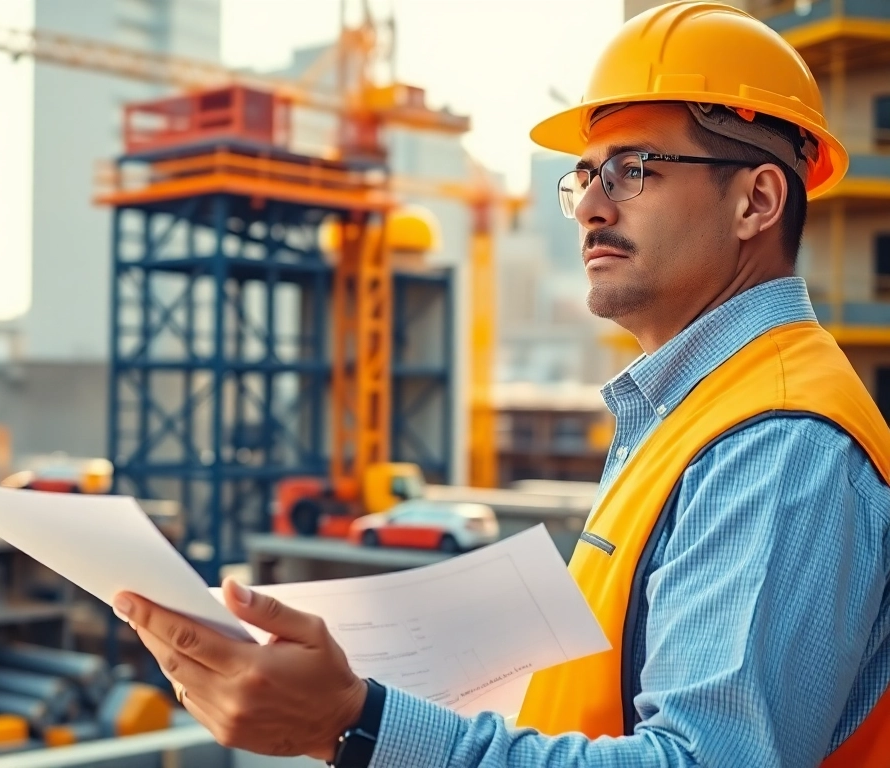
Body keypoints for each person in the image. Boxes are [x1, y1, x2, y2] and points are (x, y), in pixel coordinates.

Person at [110, 2, 890, 766]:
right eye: (585, 175)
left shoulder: (780, 444)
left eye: (632, 169)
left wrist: (359, 725)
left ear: (757, 200)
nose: (588, 204)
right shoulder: (698, 410)